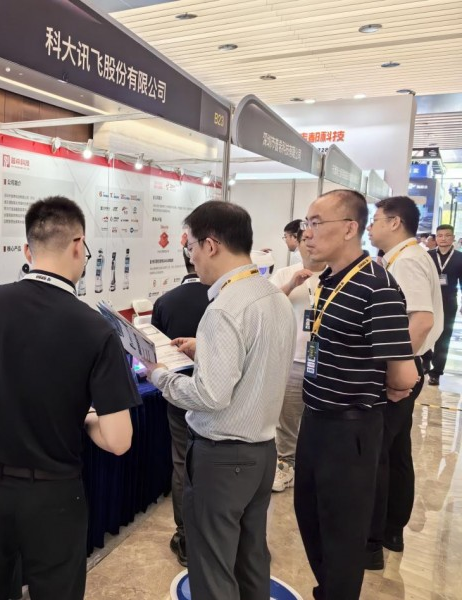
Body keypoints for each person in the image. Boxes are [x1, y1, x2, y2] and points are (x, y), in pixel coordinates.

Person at [0, 196, 139, 600]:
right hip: (53, 495)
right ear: (78, 245)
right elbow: (119, 440)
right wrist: (86, 420)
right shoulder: (96, 329)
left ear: (27, 251)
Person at [143, 200, 296, 600]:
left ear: (210, 245)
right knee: (250, 559)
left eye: (191, 246)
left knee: (212, 567)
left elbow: (209, 395)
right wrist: (205, 350)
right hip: (262, 452)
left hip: (223, 459)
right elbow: (258, 360)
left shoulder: (225, 308)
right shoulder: (273, 296)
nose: (191, 256)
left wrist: (158, 374)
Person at [296, 190, 418, 600]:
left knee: (343, 535)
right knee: (311, 518)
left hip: (350, 429)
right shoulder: (328, 280)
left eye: (316, 223)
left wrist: (376, 387)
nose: (307, 233)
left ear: (350, 228)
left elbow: (403, 374)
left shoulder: (377, 286)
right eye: (306, 224)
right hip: (315, 418)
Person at [365, 196, 442, 568]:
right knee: (396, 452)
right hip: (412, 367)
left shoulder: (407, 261)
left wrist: (398, 371)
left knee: (379, 454)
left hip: (404, 372)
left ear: (395, 222)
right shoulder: (405, 257)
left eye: (375, 219)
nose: (370, 227)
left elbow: (421, 321)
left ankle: (372, 542)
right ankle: (392, 530)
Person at [151, 247, 211, 566]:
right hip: (219, 398)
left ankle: (185, 536)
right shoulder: (224, 300)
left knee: (181, 463)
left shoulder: (165, 302)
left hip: (178, 394)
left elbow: (154, 354)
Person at [268, 228, 327, 492]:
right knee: (288, 417)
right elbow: (267, 306)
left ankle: (317, 465)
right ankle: (286, 464)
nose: (310, 244)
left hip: (326, 361)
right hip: (293, 358)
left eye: (316, 238)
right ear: (298, 244)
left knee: (322, 418)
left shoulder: (337, 275)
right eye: (305, 240)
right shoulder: (284, 273)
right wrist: (292, 285)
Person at [425, 224, 462, 386]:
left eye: (447, 235)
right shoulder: (428, 256)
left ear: (453, 238)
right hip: (428, 301)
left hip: (449, 301)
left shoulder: (459, 258)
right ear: (436, 238)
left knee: (444, 337)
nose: (443, 239)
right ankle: (425, 361)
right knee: (425, 332)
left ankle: (436, 372)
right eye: (440, 235)